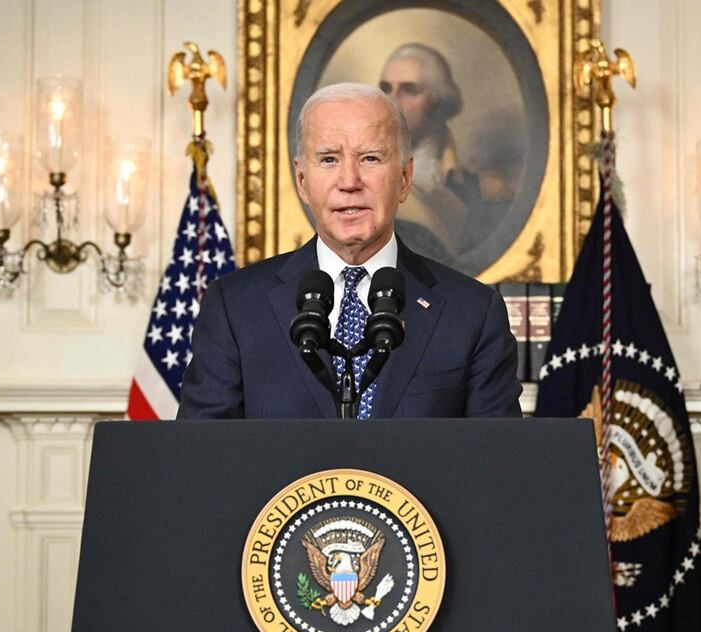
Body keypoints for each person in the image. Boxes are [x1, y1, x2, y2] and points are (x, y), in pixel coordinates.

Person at [177, 82, 521, 419]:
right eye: (328, 159)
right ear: (302, 181)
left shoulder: (472, 313)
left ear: (404, 178)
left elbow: (494, 465)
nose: (350, 181)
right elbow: (201, 461)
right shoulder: (234, 307)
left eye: (370, 158)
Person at [377, 44, 514, 265]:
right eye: (386, 88)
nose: (391, 101)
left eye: (409, 89)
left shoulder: (488, 191)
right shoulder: (363, 185)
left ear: (439, 101)